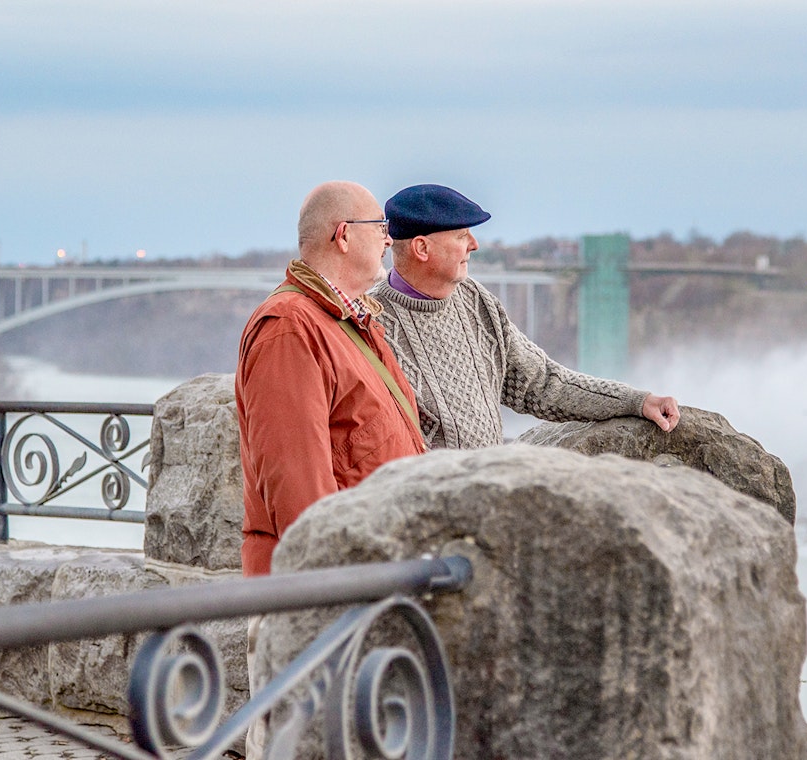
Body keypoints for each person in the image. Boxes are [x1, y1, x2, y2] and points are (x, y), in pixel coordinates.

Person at [370, 183, 680, 449]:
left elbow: (543, 383)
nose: (474, 245)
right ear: (422, 248)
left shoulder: (476, 301)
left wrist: (637, 401)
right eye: (462, 235)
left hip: (488, 500)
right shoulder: (370, 323)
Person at [235, 180, 426, 577]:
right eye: (379, 227)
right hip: (325, 597)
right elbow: (300, 493)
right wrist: (333, 594)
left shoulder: (346, 323)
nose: (388, 241)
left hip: (369, 583)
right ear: (344, 235)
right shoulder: (289, 329)